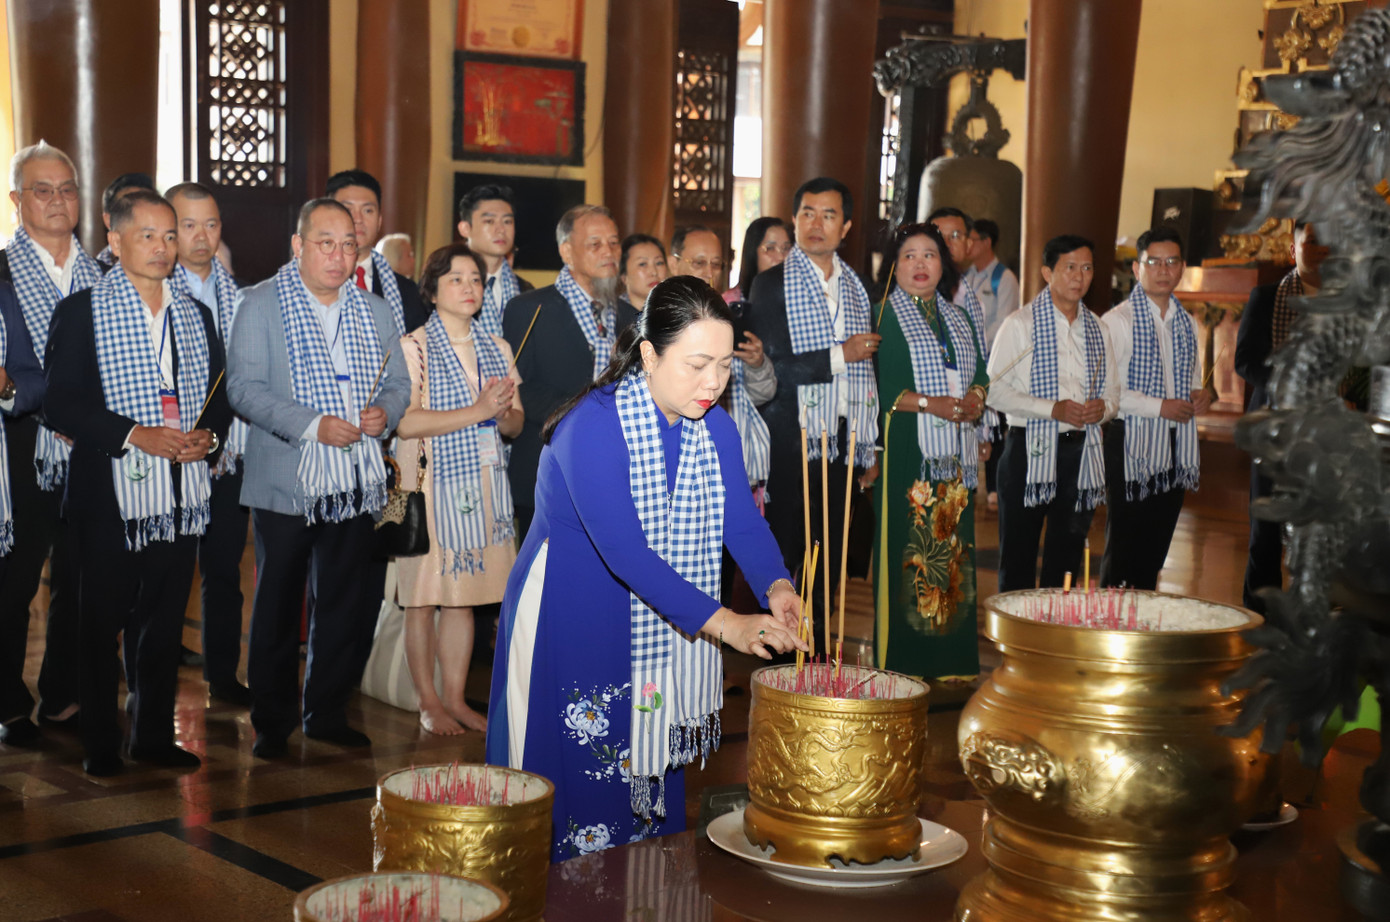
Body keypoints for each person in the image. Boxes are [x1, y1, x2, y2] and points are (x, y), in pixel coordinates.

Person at [485, 276, 806, 860]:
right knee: (582, 768)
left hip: (664, 611)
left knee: (649, 760)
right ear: (651, 354)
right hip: (575, 604)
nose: (714, 383)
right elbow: (624, 551)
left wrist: (777, 585)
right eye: (697, 364)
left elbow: (740, 518)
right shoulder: (594, 425)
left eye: (726, 366)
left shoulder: (714, 425)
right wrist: (727, 624)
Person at [43, 189, 231, 775]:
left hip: (180, 494)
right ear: (117, 241)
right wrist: (133, 434)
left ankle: (151, 735)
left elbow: (219, 399)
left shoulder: (195, 314)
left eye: (169, 236)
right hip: (109, 496)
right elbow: (61, 404)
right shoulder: (82, 311)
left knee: (162, 623)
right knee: (101, 624)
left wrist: (210, 437)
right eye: (147, 235)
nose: (162, 247)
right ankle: (100, 741)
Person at [227, 199, 411, 758]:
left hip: (355, 479)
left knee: (345, 603)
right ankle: (272, 721)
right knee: (278, 604)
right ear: (298, 245)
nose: (337, 255)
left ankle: (327, 712)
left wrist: (386, 413)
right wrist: (312, 425)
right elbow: (243, 389)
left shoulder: (376, 311)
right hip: (288, 477)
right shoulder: (259, 304)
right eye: (325, 243)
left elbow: (398, 383)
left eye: (348, 244)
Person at [395, 243, 523, 735]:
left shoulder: (498, 347)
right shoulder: (414, 346)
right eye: (456, 279)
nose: (469, 288)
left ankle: (455, 697)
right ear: (432, 290)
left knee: (463, 598)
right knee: (424, 598)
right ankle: (427, 700)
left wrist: (504, 412)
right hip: (429, 486)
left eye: (475, 280)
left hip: (485, 486)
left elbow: (513, 426)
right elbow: (406, 424)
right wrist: (478, 410)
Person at [0, 141, 103, 746]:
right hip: (20, 442)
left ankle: (63, 694)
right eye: (43, 190)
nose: (58, 200)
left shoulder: (103, 274)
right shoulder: (2, 271)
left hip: (91, 447)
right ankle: (8, 700)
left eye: (67, 188)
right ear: (17, 201)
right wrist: (41, 397)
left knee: (84, 577)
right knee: (14, 578)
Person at [748, 177, 880, 628]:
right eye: (807, 213)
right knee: (789, 550)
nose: (816, 224)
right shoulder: (771, 285)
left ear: (845, 227)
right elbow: (772, 368)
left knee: (832, 550)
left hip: (845, 438)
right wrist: (840, 355)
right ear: (794, 219)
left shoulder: (860, 286)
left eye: (828, 215)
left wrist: (871, 447)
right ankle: (783, 660)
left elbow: (871, 372)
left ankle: (818, 652)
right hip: (793, 437)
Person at [871, 223, 987, 680]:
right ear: (894, 266)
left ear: (945, 264)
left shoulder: (957, 318)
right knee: (910, 550)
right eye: (910, 256)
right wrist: (929, 403)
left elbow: (980, 370)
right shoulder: (883, 316)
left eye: (930, 255)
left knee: (953, 552)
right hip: (907, 450)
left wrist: (976, 397)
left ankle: (950, 659)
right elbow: (880, 389)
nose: (921, 264)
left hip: (954, 456)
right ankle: (904, 659)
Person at [986, 234, 1118, 592]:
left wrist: (1102, 408)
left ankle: (1053, 633)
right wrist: (1051, 410)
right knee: (1018, 557)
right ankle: (1016, 641)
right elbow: (994, 391)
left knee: (1066, 557)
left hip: (1081, 455)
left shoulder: (1099, 329)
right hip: (1028, 450)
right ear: (1047, 272)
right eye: (1070, 268)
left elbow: (1113, 394)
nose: (1080, 277)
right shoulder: (1020, 325)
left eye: (1087, 268)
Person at [165, 181, 252, 706]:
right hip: (169, 451)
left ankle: (223, 677)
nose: (201, 236)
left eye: (211, 224)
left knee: (224, 571)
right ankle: (148, 684)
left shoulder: (241, 295)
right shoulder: (150, 289)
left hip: (227, 452)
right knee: (164, 573)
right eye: (189, 224)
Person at [503, 204, 621, 541]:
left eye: (614, 243)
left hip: (615, 474)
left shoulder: (630, 315)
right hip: (548, 472)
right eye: (595, 244)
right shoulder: (529, 309)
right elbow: (520, 391)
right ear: (566, 251)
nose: (609, 252)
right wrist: (592, 409)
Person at [1099, 227, 1207, 590]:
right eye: (1154, 261)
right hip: (1130, 441)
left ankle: (1142, 622)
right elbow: (1105, 392)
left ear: (1182, 268)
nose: (1164, 269)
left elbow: (1192, 380)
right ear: (1136, 268)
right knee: (1124, 546)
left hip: (1175, 445)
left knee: (1156, 546)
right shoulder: (1117, 321)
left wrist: (1202, 395)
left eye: (1172, 261)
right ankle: (1111, 626)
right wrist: (1160, 406)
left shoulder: (1188, 322)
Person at [1235, 221, 1326, 613]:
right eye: (1311, 241)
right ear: (1294, 250)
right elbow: (1245, 361)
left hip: (1330, 434)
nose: (1321, 248)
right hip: (1274, 428)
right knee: (1267, 531)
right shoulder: (1268, 297)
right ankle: (1259, 619)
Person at [0, 260, 46, 747]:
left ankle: (9, 704)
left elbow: (32, 378)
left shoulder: (2, 295)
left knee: (11, 591)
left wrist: (8, 387)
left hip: (3, 477)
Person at [328, 169, 428, 334]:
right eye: (348, 209)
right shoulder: (310, 283)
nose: (358, 219)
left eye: (368, 211)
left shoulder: (406, 292)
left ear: (379, 221)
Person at [966, 218, 1020, 511]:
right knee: (971, 420)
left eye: (972, 238)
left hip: (992, 363)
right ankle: (969, 480)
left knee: (995, 426)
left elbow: (1005, 322)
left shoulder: (1004, 278)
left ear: (987, 241)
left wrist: (971, 338)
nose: (968, 245)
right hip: (969, 361)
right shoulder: (968, 276)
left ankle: (996, 488)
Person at [456, 184, 533, 336]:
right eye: (489, 221)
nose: (501, 229)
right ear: (465, 229)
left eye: (507, 222)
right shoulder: (446, 284)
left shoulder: (525, 290)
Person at [94, 173, 157, 272]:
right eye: (129, 211)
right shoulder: (95, 274)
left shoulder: (168, 265)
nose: (142, 218)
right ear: (109, 220)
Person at [726, 217, 791, 304]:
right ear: (753, 252)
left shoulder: (797, 297)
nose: (781, 257)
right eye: (770, 248)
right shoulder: (730, 303)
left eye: (786, 248)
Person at [616, 233, 668, 332]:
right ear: (624, 276)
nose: (654, 272)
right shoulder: (613, 318)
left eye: (659, 263)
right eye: (642, 264)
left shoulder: (672, 314)